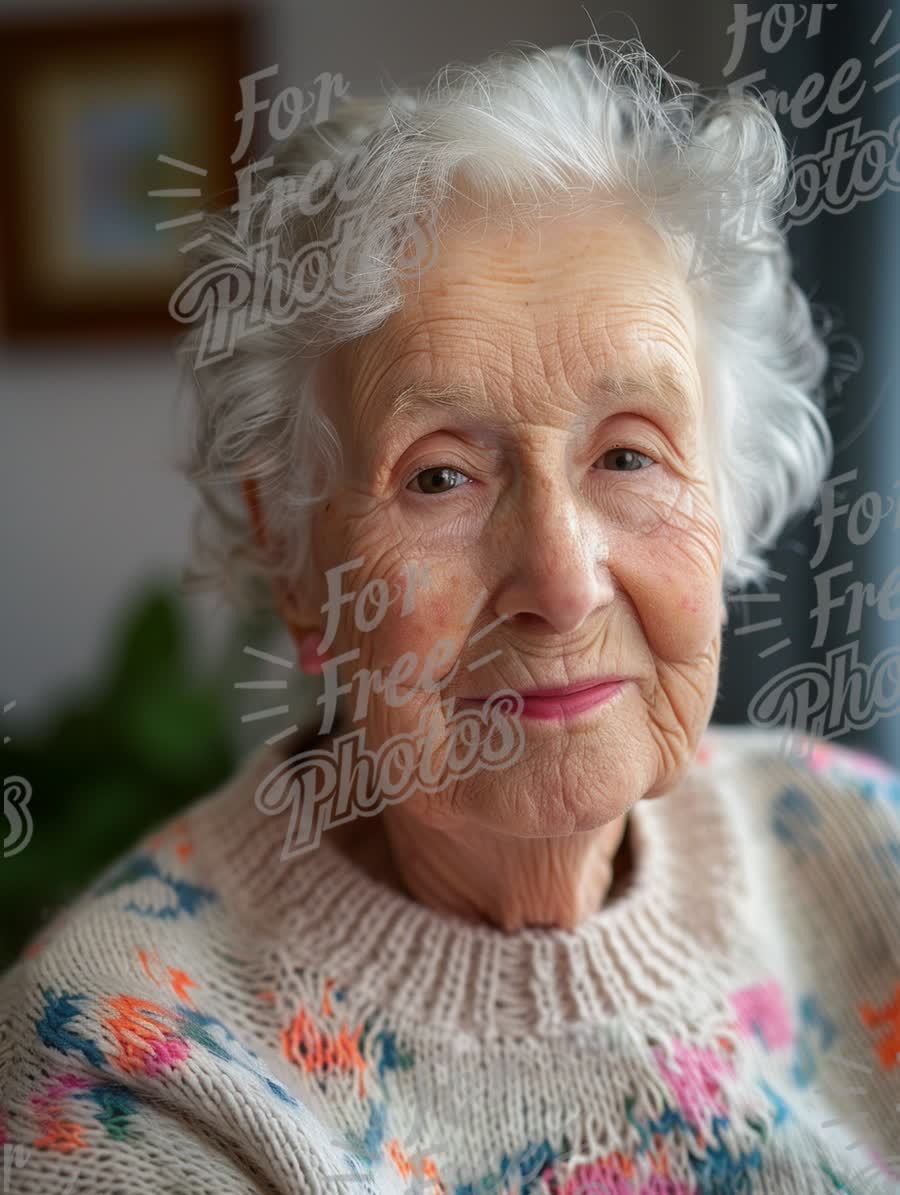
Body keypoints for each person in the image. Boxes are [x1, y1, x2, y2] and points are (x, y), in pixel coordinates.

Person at [2, 35, 899, 1195]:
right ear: (290, 550)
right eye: (439, 476)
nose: (563, 581)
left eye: (629, 454)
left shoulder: (855, 844)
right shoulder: (122, 1063)